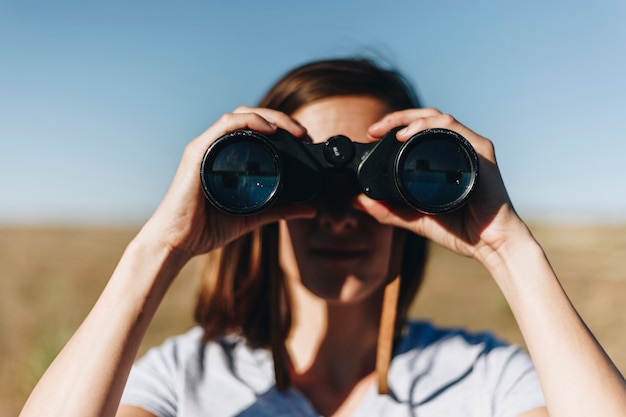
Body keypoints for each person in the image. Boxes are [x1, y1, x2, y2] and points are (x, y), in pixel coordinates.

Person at [19, 58, 626, 417]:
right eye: (309, 186)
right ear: (263, 196)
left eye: (372, 185)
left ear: (410, 193)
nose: (341, 217)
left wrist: (508, 249)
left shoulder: (484, 379)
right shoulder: (186, 379)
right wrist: (160, 248)